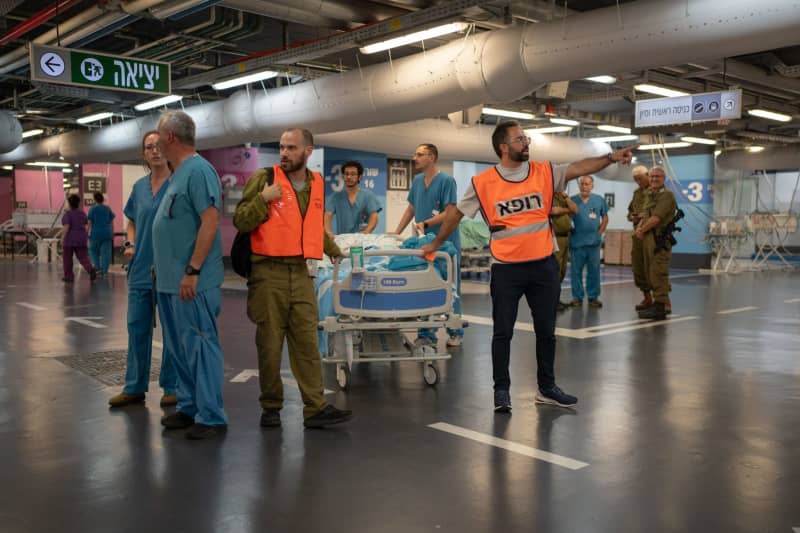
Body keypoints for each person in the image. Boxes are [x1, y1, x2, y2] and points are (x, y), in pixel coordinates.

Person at [421, 120, 636, 410]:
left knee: (547, 330)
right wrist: (433, 245)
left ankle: (546, 387)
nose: (527, 143)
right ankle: (501, 390)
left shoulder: (543, 172)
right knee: (503, 332)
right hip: (506, 268)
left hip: (543, 265)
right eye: (520, 139)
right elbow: (456, 215)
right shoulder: (483, 183)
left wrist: (610, 157)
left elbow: (580, 167)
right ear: (503, 147)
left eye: (526, 138)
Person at [233, 127, 353, 429]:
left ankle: (315, 407)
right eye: (282, 147)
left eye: (291, 148)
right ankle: (271, 406)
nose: (284, 153)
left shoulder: (317, 183)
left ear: (307, 151)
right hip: (267, 273)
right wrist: (262, 199)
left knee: (307, 342)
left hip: (300, 273)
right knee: (270, 345)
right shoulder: (265, 178)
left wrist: (334, 250)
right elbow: (241, 219)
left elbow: (311, 227)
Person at [152, 110, 227, 440]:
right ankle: (189, 407)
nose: (154, 139)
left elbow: (209, 222)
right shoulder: (177, 174)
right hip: (169, 282)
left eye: (157, 133)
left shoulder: (198, 171)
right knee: (179, 349)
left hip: (192, 281)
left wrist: (193, 270)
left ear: (170, 137)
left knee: (199, 345)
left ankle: (211, 416)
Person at [108, 131, 177, 409]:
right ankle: (134, 387)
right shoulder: (138, 188)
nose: (155, 151)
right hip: (140, 269)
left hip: (170, 269)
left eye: (159, 146)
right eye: (149, 147)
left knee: (172, 331)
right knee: (137, 328)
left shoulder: (179, 183)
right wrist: (130, 243)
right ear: (144, 153)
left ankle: (171, 386)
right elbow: (132, 222)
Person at [392, 143, 464, 347]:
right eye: (415, 154)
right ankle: (426, 334)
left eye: (420, 154)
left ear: (431, 158)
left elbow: (451, 212)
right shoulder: (417, 181)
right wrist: (396, 232)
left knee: (451, 288)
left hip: (445, 242)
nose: (415, 158)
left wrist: (428, 223)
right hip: (424, 244)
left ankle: (455, 330)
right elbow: (411, 208)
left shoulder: (447, 181)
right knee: (426, 285)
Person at [635, 166, 677, 320]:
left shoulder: (667, 195)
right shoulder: (649, 194)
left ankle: (661, 305)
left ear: (663, 178)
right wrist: (640, 227)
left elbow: (656, 218)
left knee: (658, 271)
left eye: (657, 176)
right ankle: (657, 303)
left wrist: (642, 229)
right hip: (648, 237)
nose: (654, 179)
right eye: (652, 176)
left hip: (659, 239)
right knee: (649, 271)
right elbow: (646, 215)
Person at [568, 175, 609, 308]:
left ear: (592, 186)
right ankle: (577, 298)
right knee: (576, 272)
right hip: (577, 243)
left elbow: (605, 218)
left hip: (593, 243)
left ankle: (593, 297)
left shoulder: (599, 200)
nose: (584, 186)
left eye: (587, 184)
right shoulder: (572, 200)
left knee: (594, 271)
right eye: (582, 184)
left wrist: (600, 232)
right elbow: (566, 218)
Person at [324, 160, 381, 236]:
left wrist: (366, 233)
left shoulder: (368, 196)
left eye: (353, 174)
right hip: (343, 240)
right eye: (346, 174)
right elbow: (327, 215)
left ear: (360, 177)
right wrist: (328, 232)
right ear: (343, 176)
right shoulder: (335, 197)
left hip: (362, 240)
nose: (349, 177)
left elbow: (374, 216)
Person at [627, 165, 652, 310]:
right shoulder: (637, 193)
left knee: (652, 267)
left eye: (640, 179)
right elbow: (630, 212)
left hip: (651, 235)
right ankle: (647, 297)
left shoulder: (656, 192)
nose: (638, 182)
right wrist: (633, 217)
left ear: (647, 175)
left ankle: (660, 300)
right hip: (637, 235)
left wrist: (645, 216)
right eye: (636, 180)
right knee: (638, 267)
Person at [549, 191, 577, 311]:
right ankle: (550, 301)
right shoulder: (548, 194)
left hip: (566, 237)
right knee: (554, 270)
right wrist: (566, 210)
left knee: (562, 271)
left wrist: (566, 197)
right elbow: (552, 211)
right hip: (555, 237)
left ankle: (556, 299)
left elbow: (575, 209)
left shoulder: (562, 196)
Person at [60, 194, 96, 282]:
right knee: (83, 257)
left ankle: (69, 276)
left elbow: (67, 226)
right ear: (78, 203)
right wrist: (85, 234)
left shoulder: (67, 214)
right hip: (81, 237)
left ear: (69, 203)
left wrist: (62, 238)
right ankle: (90, 269)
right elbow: (87, 224)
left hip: (70, 238)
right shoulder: (82, 213)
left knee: (67, 258)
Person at [87, 192, 115, 277]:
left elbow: (90, 222)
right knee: (106, 253)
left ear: (94, 199)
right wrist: (112, 232)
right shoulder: (107, 208)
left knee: (93, 250)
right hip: (107, 233)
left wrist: (87, 232)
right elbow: (111, 221)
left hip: (96, 233)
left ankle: (97, 267)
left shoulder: (92, 209)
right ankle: (105, 271)